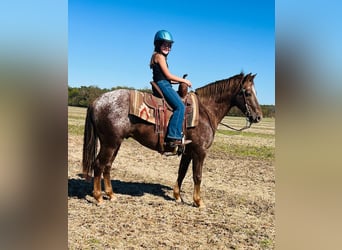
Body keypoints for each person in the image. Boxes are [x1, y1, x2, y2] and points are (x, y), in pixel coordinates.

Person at [149, 30, 192, 147]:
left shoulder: (158, 57)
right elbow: (168, 76)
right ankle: (173, 136)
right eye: (165, 44)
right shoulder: (159, 56)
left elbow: (166, 77)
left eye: (169, 45)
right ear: (158, 44)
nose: (167, 47)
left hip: (164, 83)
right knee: (180, 107)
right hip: (163, 85)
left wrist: (178, 81)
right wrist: (184, 81)